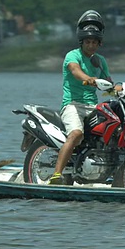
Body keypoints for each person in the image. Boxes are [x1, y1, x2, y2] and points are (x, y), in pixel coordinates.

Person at [48, 10, 113, 185]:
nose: (91, 45)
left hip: (93, 106)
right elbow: (76, 71)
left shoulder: (100, 60)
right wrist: (88, 79)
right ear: (82, 42)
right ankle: (56, 174)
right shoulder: (73, 55)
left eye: (94, 42)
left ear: (99, 44)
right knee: (76, 134)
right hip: (72, 105)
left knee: (113, 131)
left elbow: (108, 83)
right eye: (88, 42)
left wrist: (117, 89)